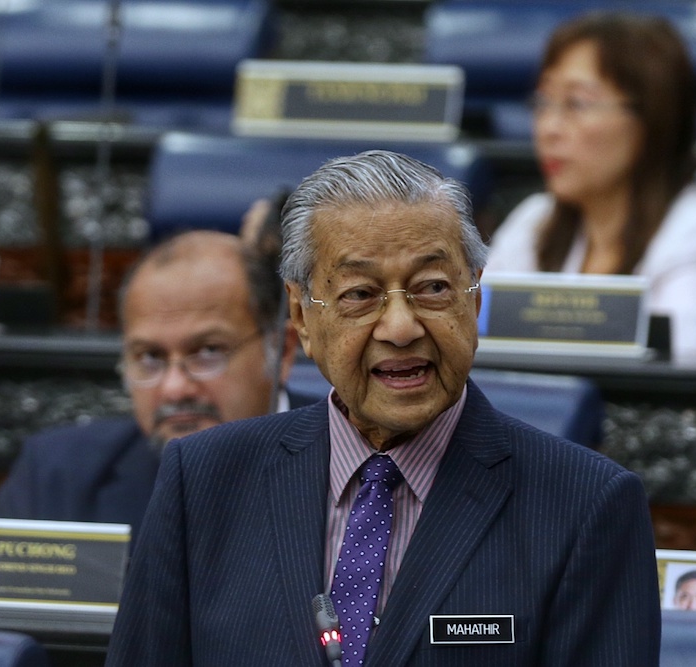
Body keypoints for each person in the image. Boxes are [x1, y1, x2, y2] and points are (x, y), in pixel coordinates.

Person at [107, 150, 660, 666]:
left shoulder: (586, 506)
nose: (401, 327)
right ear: (301, 318)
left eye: (433, 288)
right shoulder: (202, 482)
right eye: (360, 295)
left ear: (475, 298)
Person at [0, 230, 308, 538]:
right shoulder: (54, 479)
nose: (174, 388)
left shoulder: (349, 461)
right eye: (150, 357)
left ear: (283, 351)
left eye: (207, 351)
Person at [485, 12, 696, 363]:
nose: (548, 128)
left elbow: (684, 369)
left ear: (650, 119)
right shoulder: (534, 220)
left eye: (576, 103)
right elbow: (470, 334)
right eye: (543, 102)